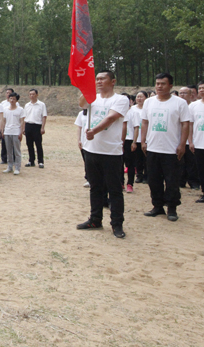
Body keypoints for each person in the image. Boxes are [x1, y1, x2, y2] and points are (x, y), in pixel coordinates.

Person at [76, 70, 130, 239]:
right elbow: (82, 104)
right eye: (97, 79)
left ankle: (117, 224)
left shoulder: (120, 99)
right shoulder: (93, 98)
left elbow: (111, 118)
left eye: (102, 79)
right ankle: (95, 219)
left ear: (113, 81)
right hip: (91, 150)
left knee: (114, 189)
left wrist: (94, 131)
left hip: (110, 152)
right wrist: (87, 90)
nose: (99, 81)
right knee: (95, 187)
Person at [140, 73, 192, 222]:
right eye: (157, 83)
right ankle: (157, 206)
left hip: (172, 149)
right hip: (153, 148)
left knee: (172, 180)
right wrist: (143, 141)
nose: (159, 86)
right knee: (154, 180)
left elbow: (185, 124)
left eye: (163, 84)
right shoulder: (149, 102)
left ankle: (172, 207)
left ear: (170, 85)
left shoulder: (180, 103)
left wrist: (182, 144)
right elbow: (145, 122)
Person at [0, 92, 25, 175]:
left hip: (16, 132)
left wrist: (21, 132)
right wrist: (2, 130)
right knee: (8, 150)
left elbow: (22, 121)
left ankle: (17, 167)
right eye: (10, 98)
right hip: (7, 131)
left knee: (17, 151)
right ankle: (9, 167)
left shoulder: (20, 110)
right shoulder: (5, 109)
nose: (12, 100)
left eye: (14, 99)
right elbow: (4, 121)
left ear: (17, 100)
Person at [24, 89, 48, 168]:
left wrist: (42, 127)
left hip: (37, 126)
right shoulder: (27, 105)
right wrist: (24, 128)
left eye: (33, 94)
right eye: (30, 94)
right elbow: (24, 117)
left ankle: (40, 161)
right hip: (28, 125)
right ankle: (31, 160)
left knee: (38, 144)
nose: (32, 96)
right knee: (29, 144)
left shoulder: (41, 104)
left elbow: (44, 116)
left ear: (37, 95)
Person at [122, 94, 139, 193]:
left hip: (129, 140)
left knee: (130, 164)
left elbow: (136, 127)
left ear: (130, 101)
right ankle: (121, 182)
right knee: (119, 163)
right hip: (118, 140)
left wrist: (134, 142)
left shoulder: (133, 112)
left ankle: (130, 184)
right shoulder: (116, 112)